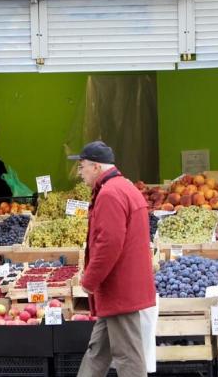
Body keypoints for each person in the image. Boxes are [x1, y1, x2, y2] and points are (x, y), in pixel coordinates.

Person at [69, 141, 156, 377]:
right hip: (122, 286)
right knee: (98, 350)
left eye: (82, 166)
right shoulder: (124, 187)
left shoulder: (109, 194)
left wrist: (89, 280)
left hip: (119, 288)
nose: (80, 173)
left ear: (96, 167)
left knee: (128, 356)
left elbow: (108, 244)